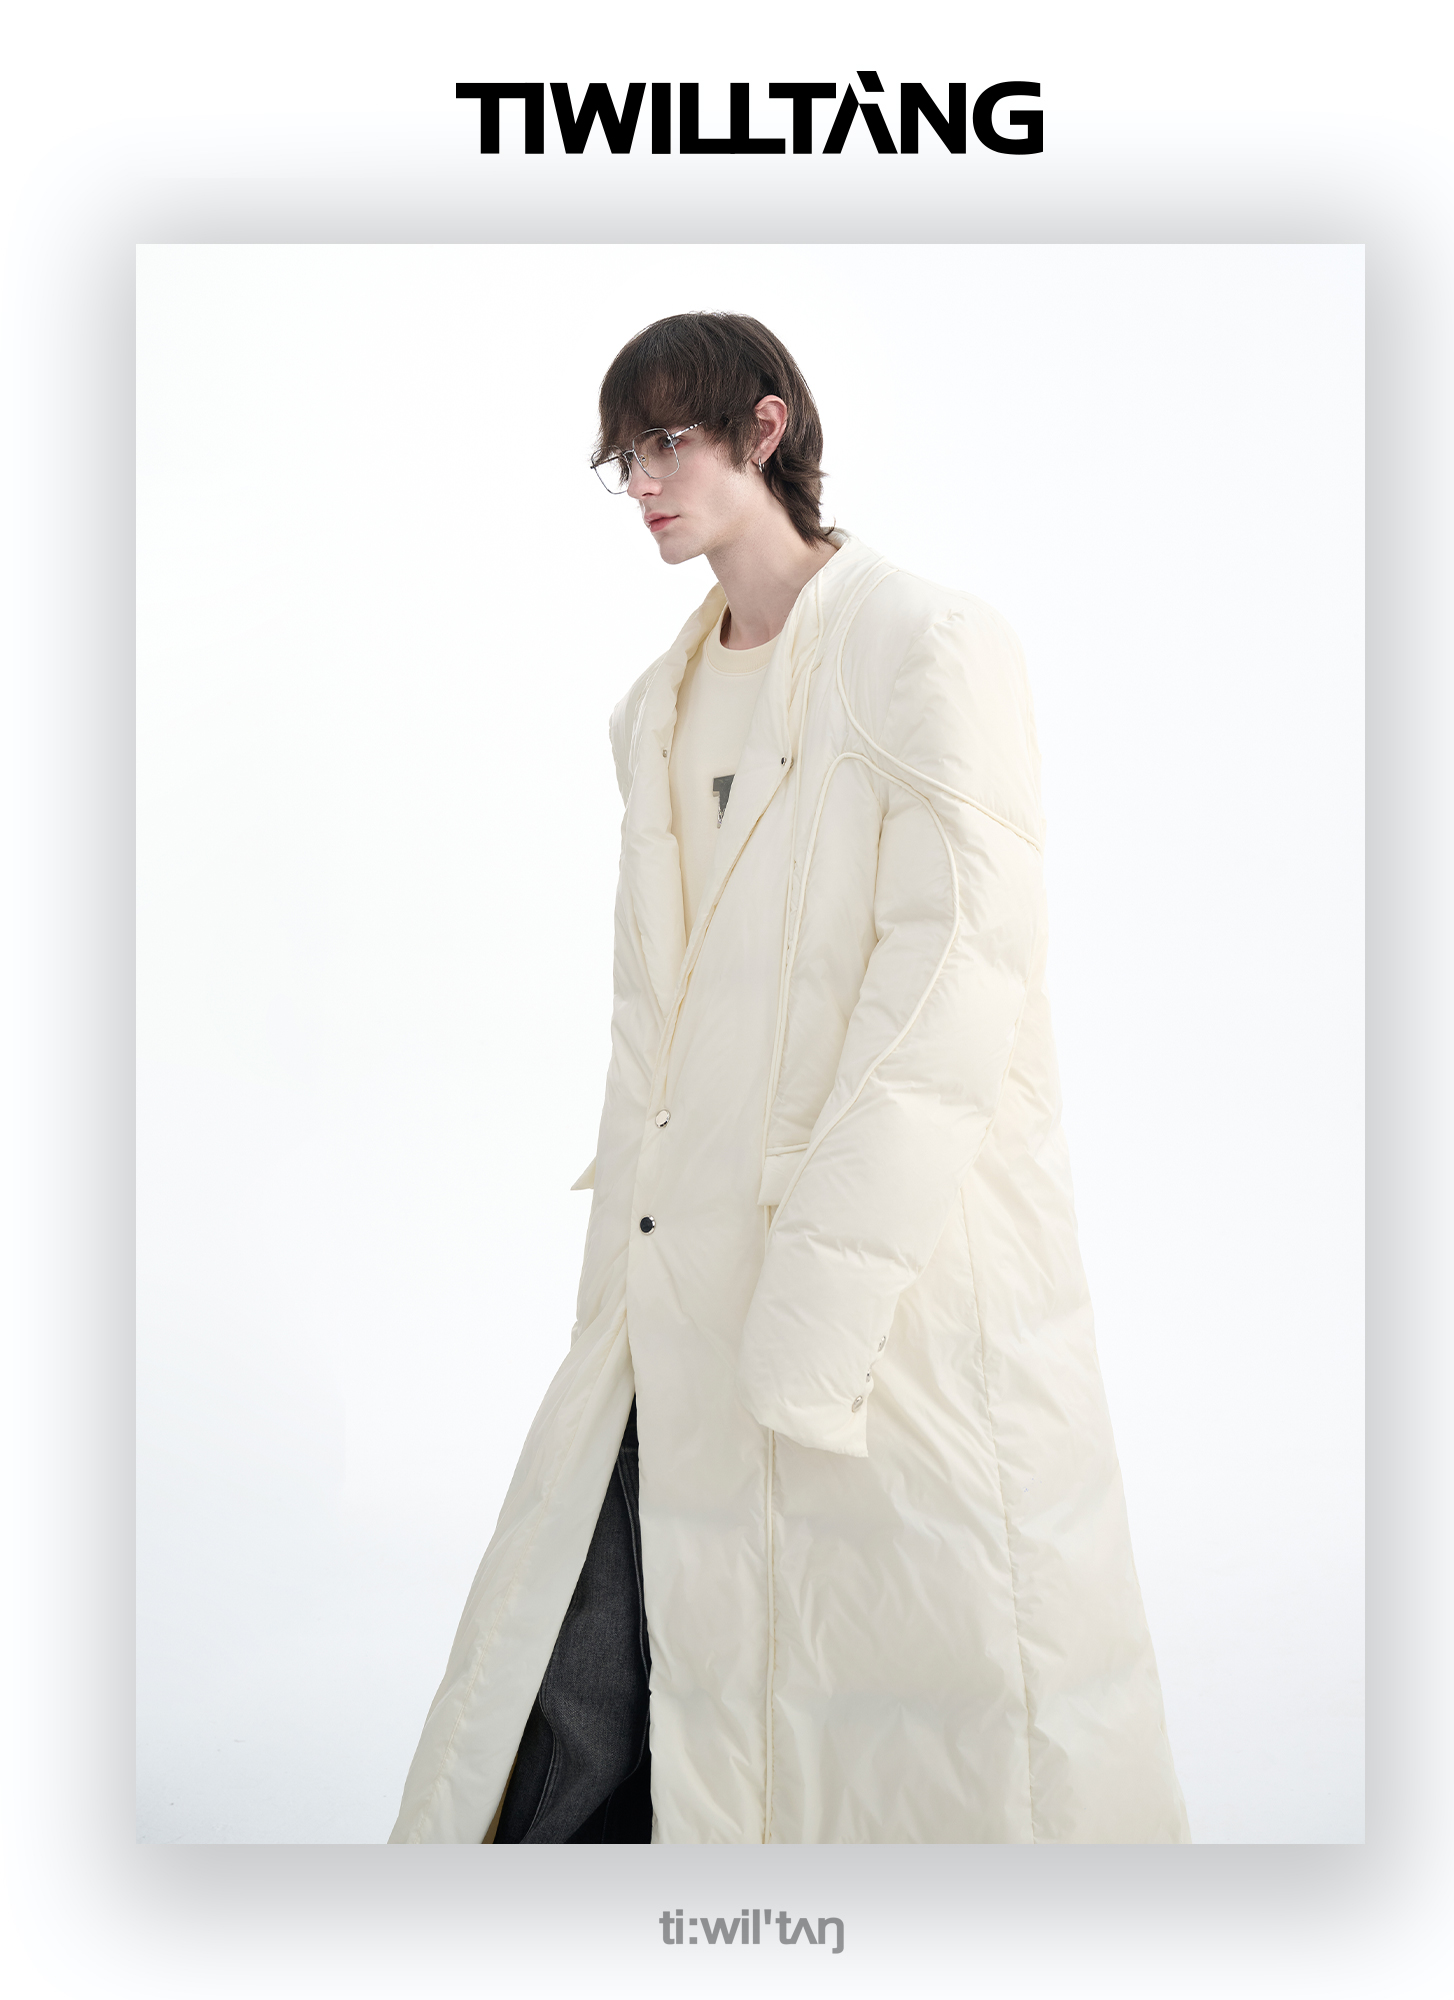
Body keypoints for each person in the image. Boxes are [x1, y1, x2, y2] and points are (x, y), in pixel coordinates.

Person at [390, 312, 1190, 1845]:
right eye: (624, 457)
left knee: (930, 1704)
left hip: (893, 1296)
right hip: (677, 1295)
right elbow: (655, 1035)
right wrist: (617, 1291)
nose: (643, 483)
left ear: (767, 430)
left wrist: (819, 1306)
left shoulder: (924, 645)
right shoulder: (657, 709)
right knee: (605, 1671)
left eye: (670, 442)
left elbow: (955, 979)